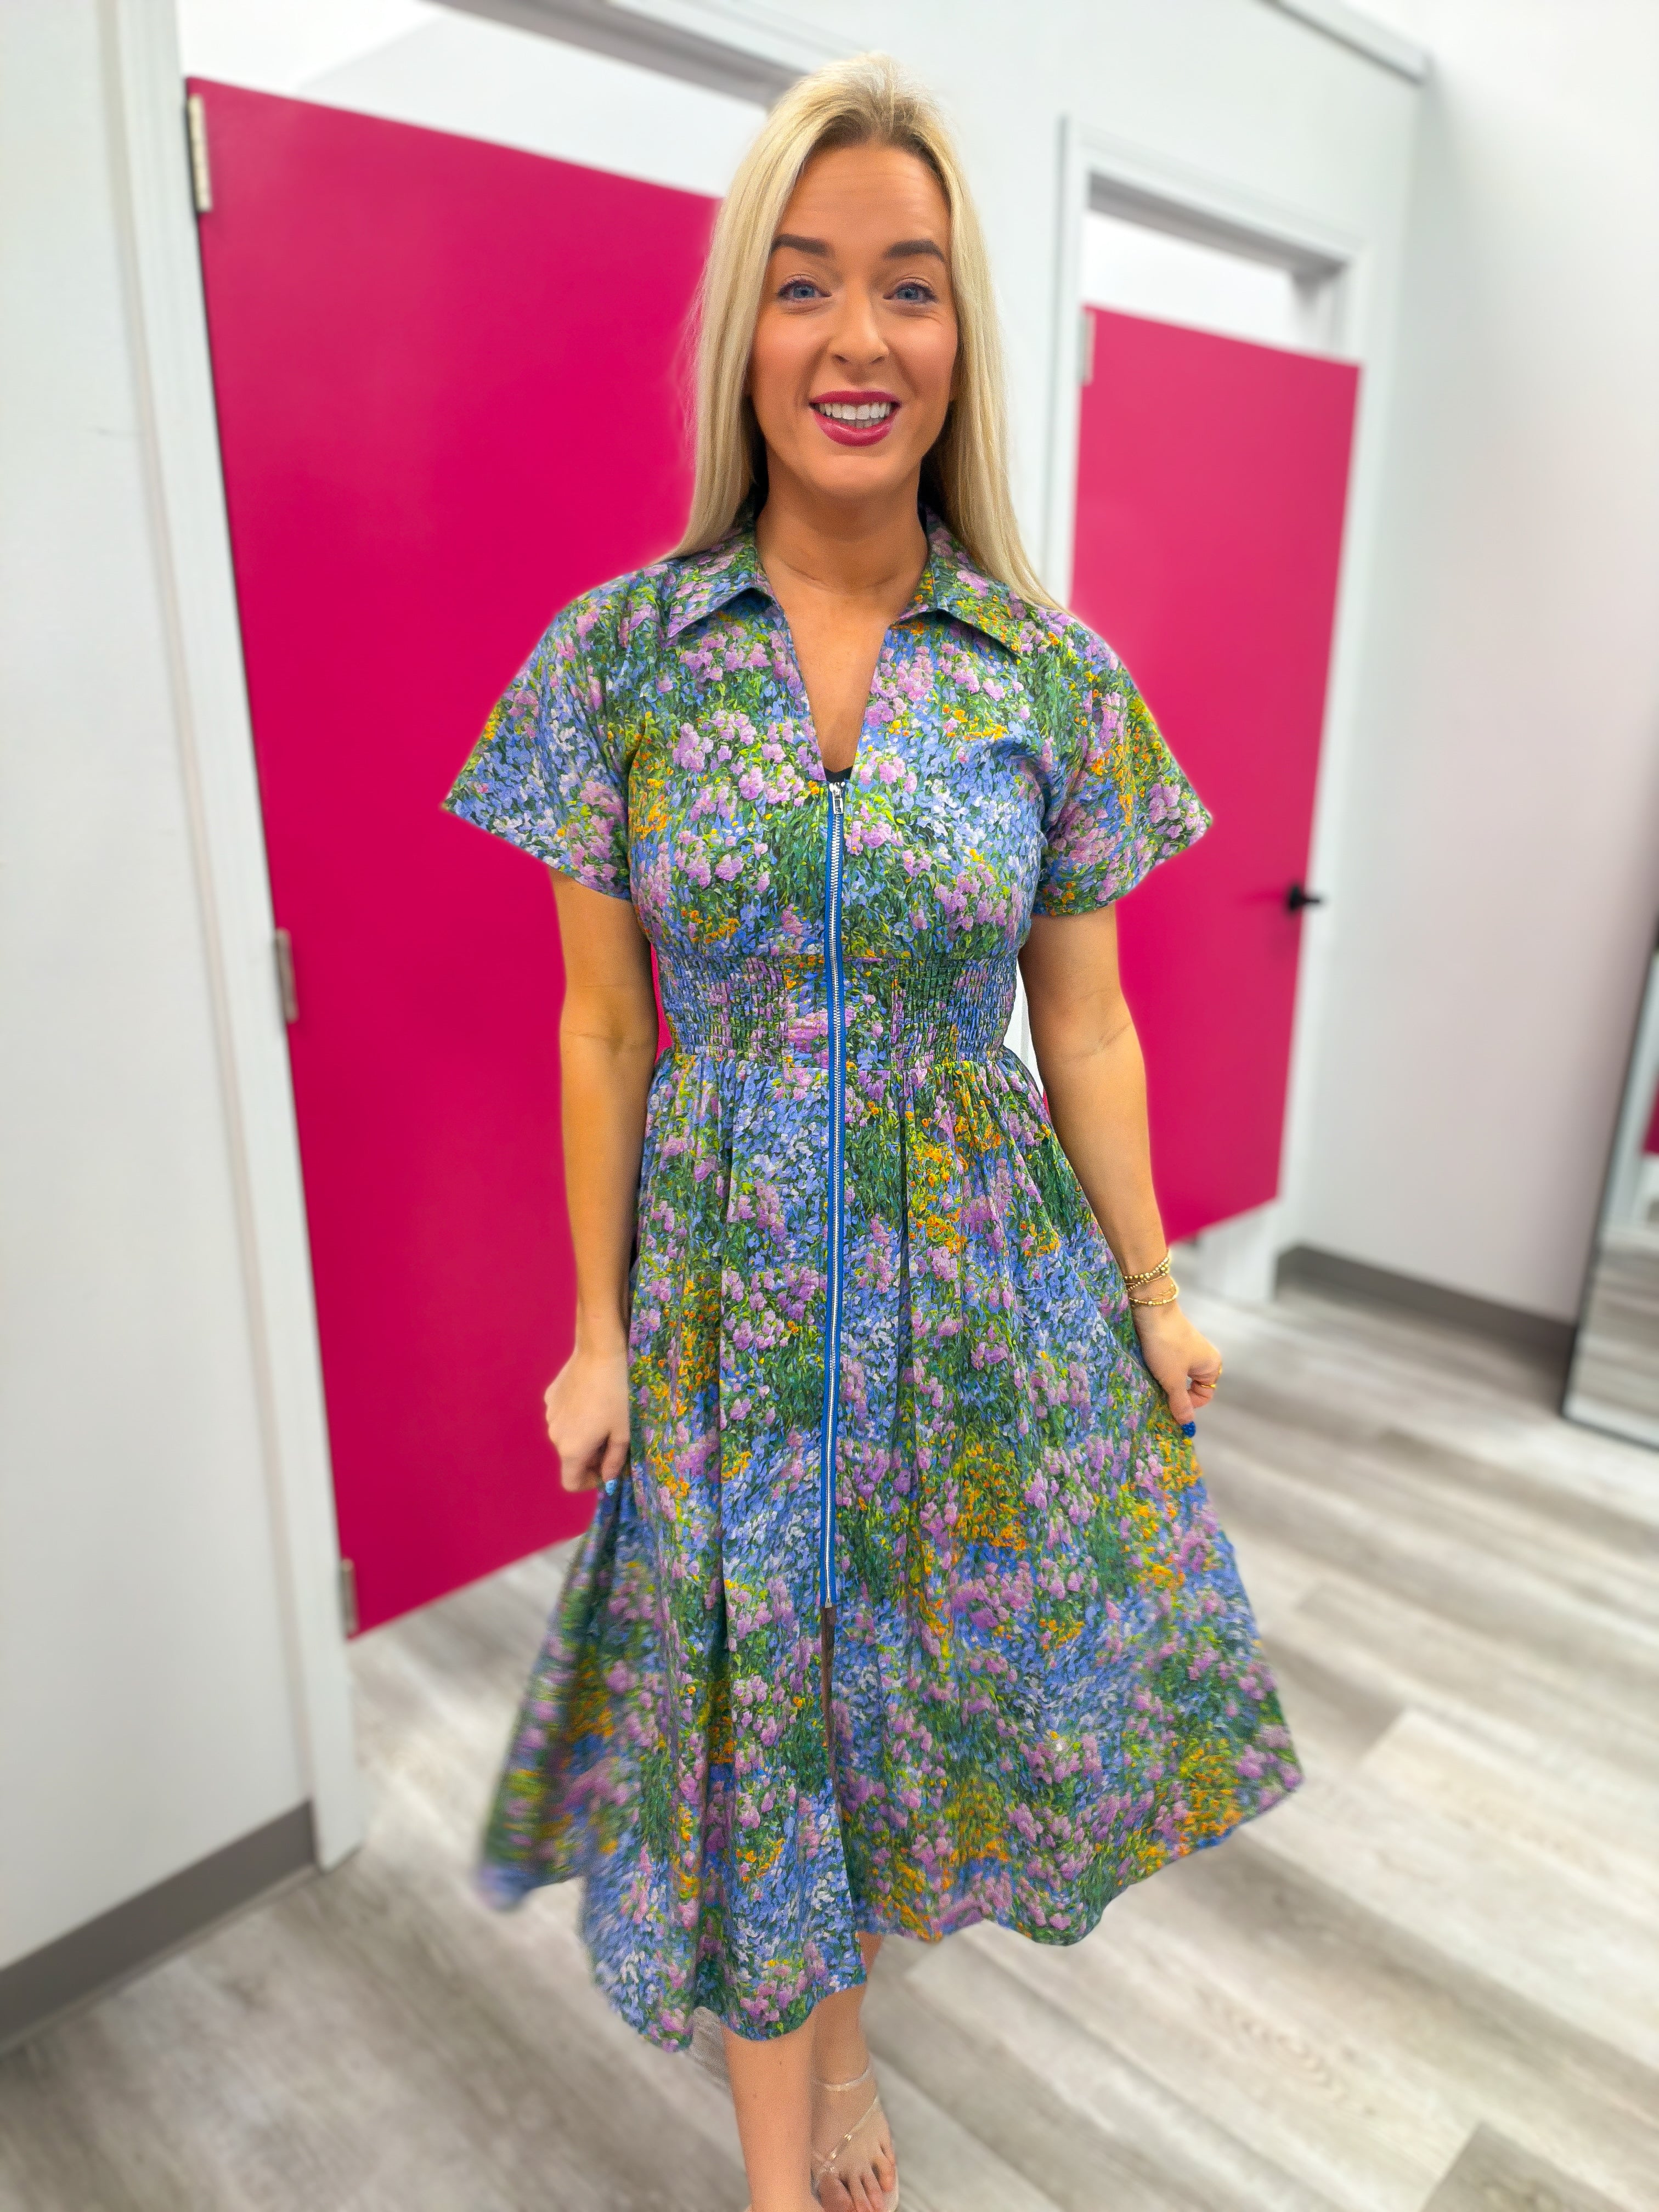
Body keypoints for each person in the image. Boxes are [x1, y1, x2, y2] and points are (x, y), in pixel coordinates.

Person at [444, 50, 1302, 2212]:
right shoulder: (618, 663)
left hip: (971, 1297)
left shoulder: (1046, 678)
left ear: (960, 336)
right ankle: (789, 2151)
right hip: (722, 1307)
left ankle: (841, 2059)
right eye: (805, 280)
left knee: (887, 1717)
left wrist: (1154, 1294)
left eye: (909, 286)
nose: (858, 338)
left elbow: (1085, 1027)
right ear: (744, 325)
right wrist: (593, 1331)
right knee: (758, 1737)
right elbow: (602, 1027)